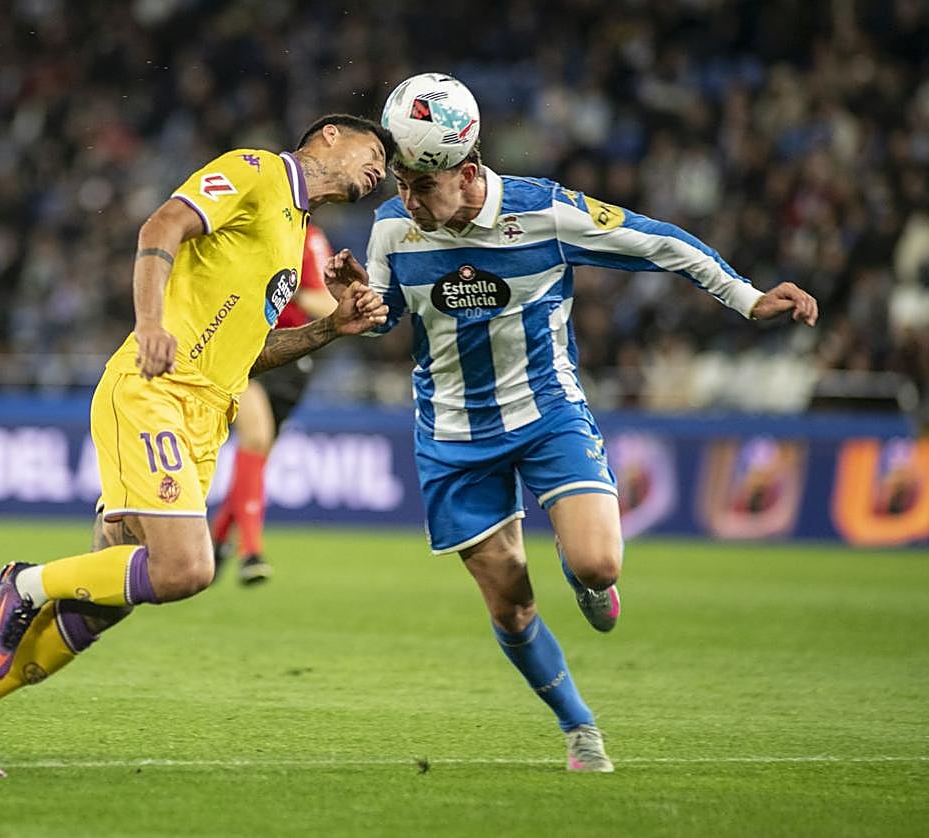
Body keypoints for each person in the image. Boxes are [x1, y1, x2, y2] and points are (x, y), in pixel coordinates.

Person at [324, 76, 818, 773]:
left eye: (422, 186)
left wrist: (747, 298)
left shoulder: (545, 211)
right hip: (453, 437)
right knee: (512, 605)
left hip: (547, 415)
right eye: (401, 182)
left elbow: (655, 241)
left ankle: (588, 579)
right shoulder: (391, 227)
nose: (406, 200)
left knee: (597, 562)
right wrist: (358, 306)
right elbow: (385, 319)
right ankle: (579, 727)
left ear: (467, 172)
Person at [0, 115, 397, 776]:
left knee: (103, 604)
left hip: (205, 416)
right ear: (330, 137)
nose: (380, 171)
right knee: (184, 570)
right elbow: (161, 225)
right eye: (375, 153)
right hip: (154, 389)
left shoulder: (293, 236)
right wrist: (149, 324)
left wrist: (331, 329)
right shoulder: (257, 171)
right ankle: (22, 584)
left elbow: (247, 355)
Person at [211, 223, 338, 584]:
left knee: (256, 458)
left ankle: (217, 538)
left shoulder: (308, 238)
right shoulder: (239, 230)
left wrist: (288, 287)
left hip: (290, 359)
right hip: (245, 350)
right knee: (256, 437)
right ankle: (251, 552)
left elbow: (328, 303)